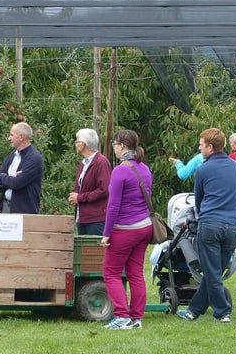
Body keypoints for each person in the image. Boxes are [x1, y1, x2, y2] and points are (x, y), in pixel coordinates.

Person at [177, 128, 236, 323]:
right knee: (215, 271)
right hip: (232, 226)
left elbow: (198, 202)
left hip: (210, 224)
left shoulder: (203, 169)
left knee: (212, 272)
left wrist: (202, 218)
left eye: (201, 145)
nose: (199, 149)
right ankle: (193, 311)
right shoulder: (235, 167)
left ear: (210, 147)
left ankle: (222, 312)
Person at [101, 129, 153, 330]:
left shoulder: (120, 170)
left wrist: (106, 234)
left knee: (111, 273)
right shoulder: (145, 168)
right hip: (145, 227)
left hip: (126, 228)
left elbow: (113, 206)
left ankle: (122, 316)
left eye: (115, 144)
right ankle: (136, 317)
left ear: (122, 146)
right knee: (135, 273)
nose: (114, 148)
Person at [0, 122, 44, 214]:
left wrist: (3, 177)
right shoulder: (12, 156)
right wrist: (10, 178)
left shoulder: (35, 158)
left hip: (24, 211)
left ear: (21, 137)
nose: (9, 138)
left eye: (12, 135)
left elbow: (16, 183)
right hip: (5, 207)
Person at [68, 128, 111, 235]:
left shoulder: (101, 162)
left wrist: (80, 197)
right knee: (82, 251)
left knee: (94, 251)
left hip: (96, 219)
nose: (76, 144)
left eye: (77, 141)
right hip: (83, 217)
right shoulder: (83, 163)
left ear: (83, 144)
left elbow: (104, 190)